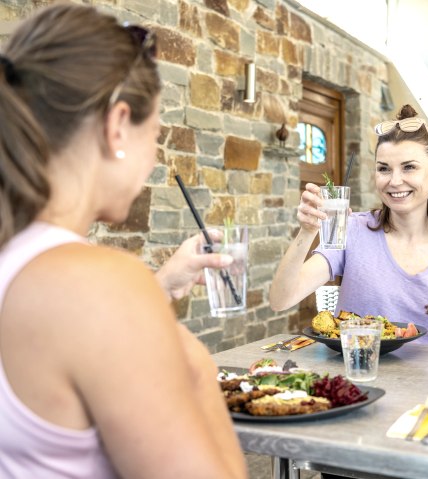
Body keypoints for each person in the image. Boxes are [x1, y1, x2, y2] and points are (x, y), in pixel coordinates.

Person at [0, 4, 247, 478]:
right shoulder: (104, 286)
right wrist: (193, 364)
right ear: (117, 126)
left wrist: (157, 288)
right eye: (154, 134)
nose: (153, 159)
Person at [270, 104, 428, 344]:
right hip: (356, 376)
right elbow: (281, 299)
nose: (394, 181)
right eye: (384, 169)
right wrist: (307, 231)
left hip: (427, 381)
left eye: (409, 167)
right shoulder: (352, 230)